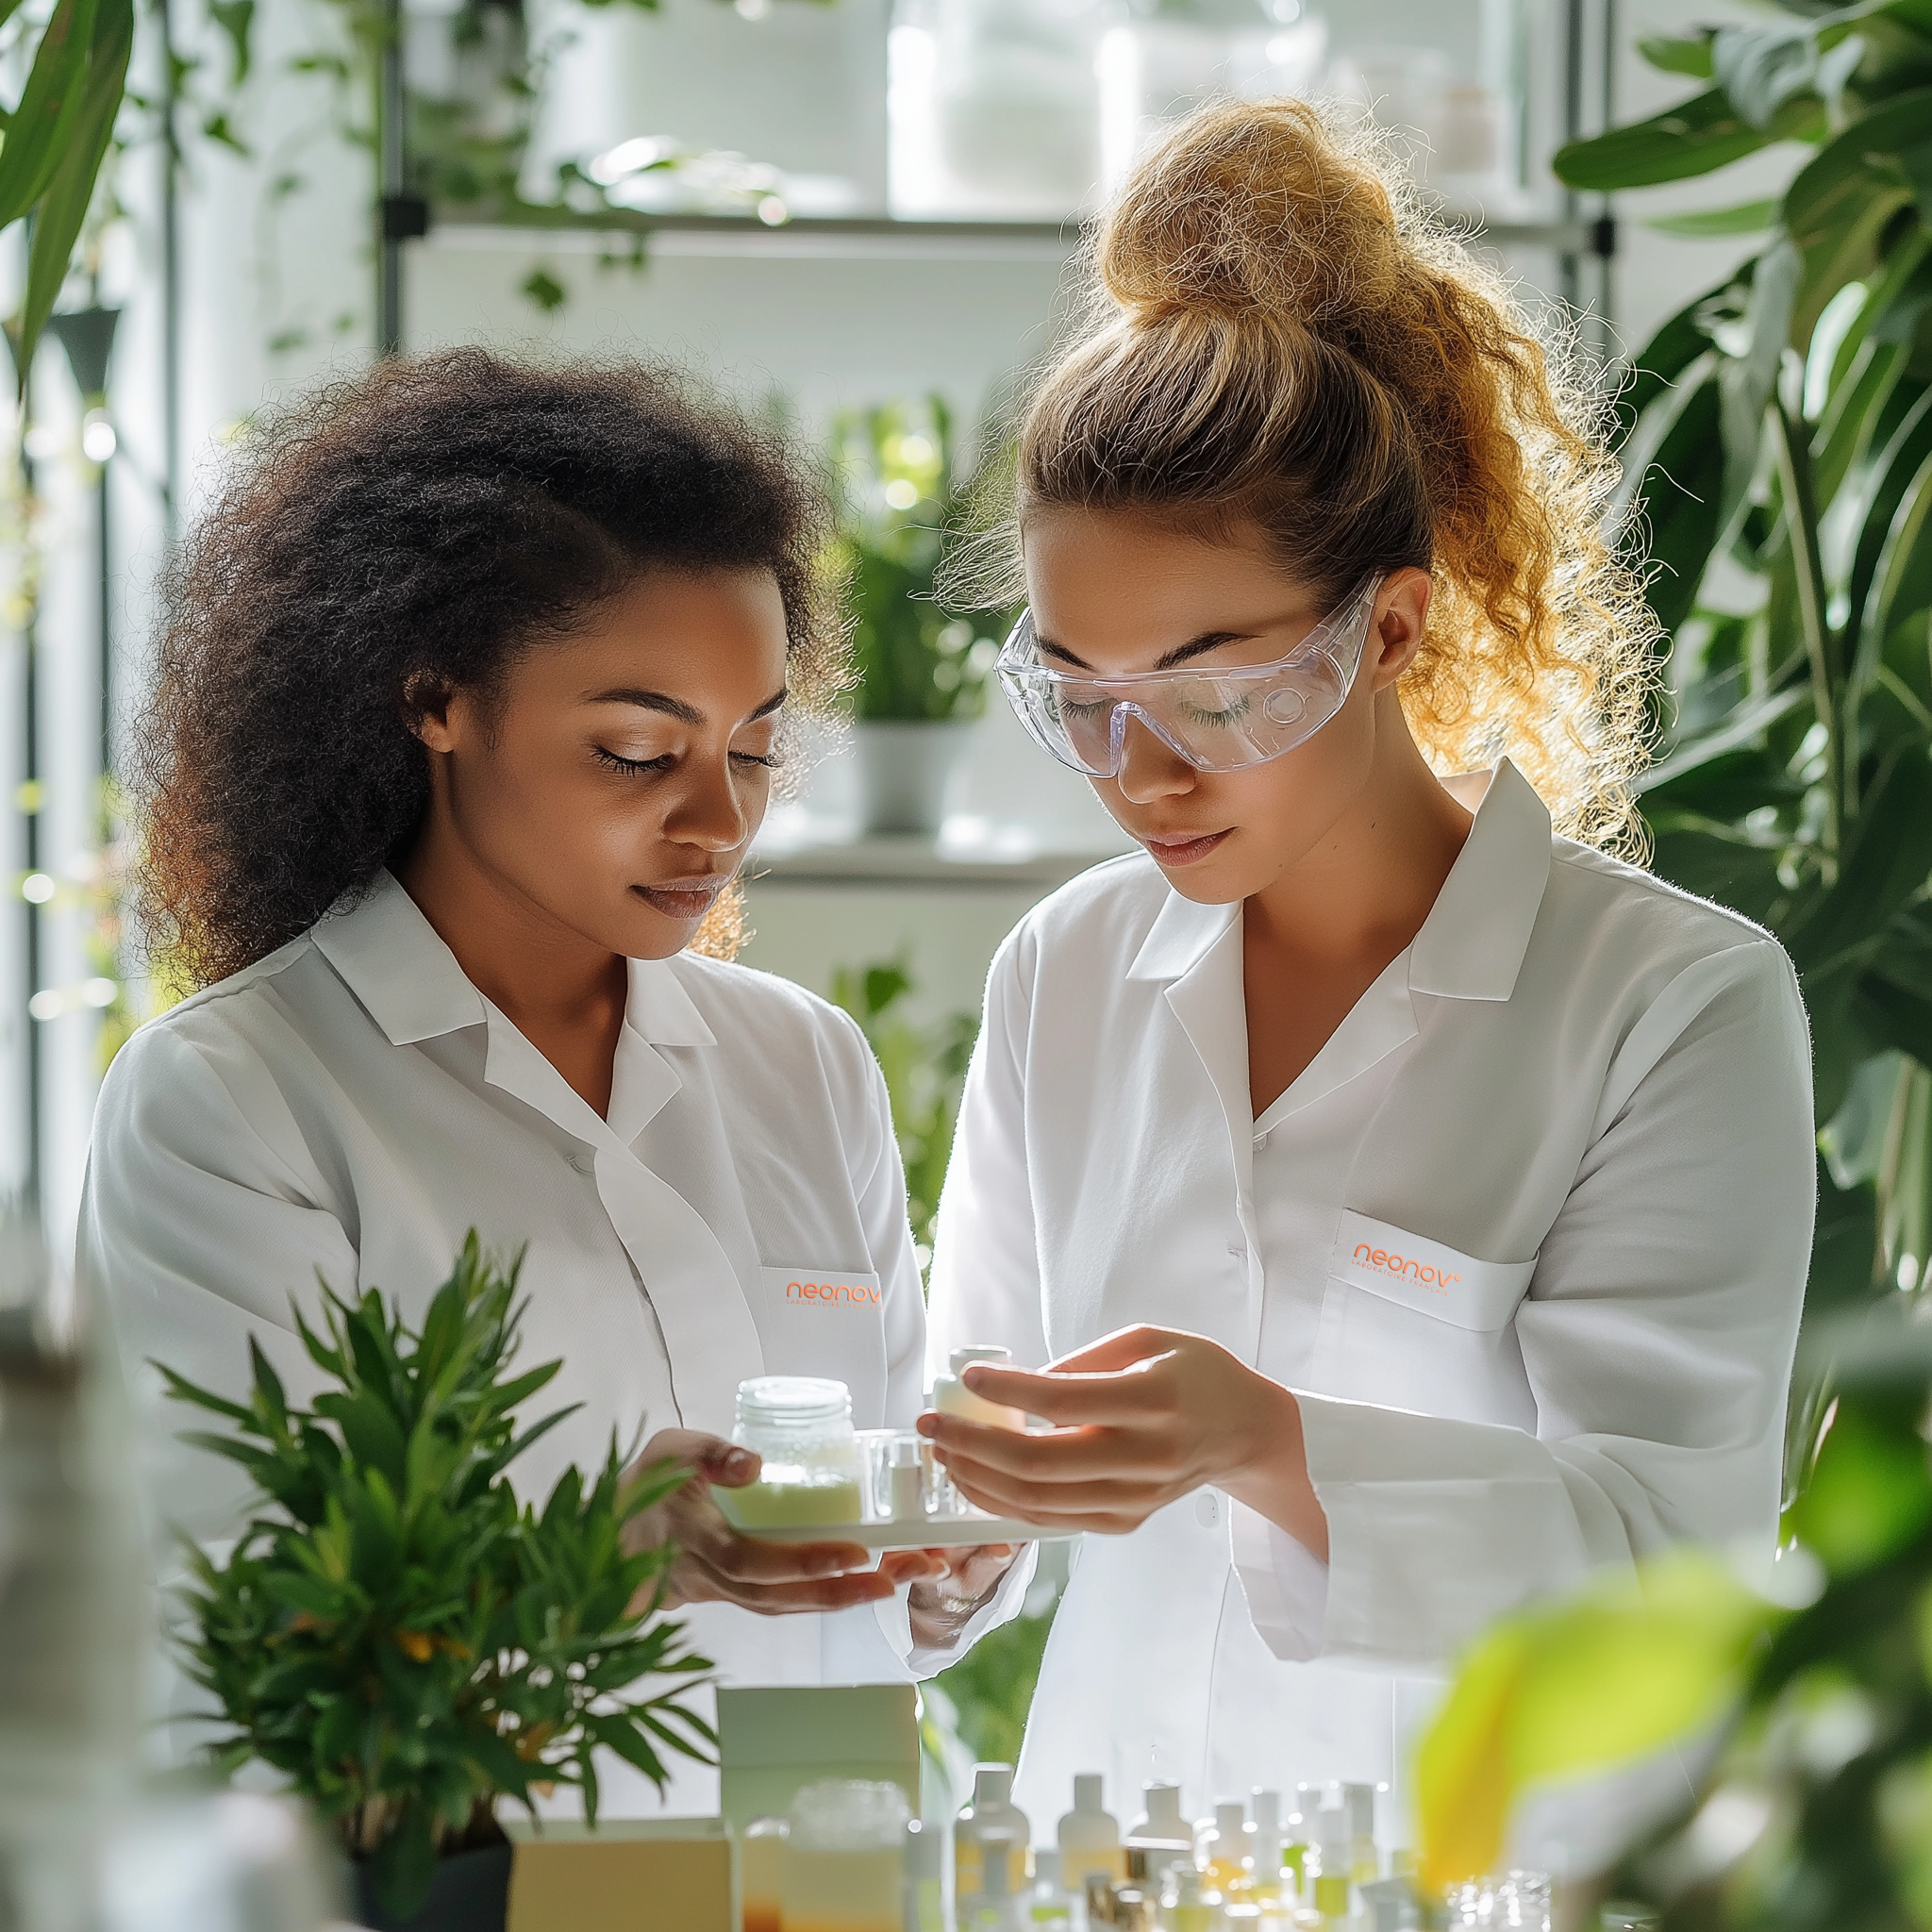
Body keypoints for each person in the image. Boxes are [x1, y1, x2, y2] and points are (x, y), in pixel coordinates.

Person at [919, 101, 1815, 1853]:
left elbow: (1670, 1567)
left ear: (1388, 629)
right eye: (1081, 696)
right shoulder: (1069, 970)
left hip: (1467, 1879)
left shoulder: (1665, 1007)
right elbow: (982, 1449)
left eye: (1211, 690)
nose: (1139, 773)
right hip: (1119, 1874)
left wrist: (1267, 1443)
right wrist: (921, 1544)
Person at [82, 352, 1014, 1814]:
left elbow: (874, 1569)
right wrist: (600, 1556)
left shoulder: (801, 1065)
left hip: (819, 1873)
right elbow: (245, 1645)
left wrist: (952, 1565)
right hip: (488, 1886)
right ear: (438, 700)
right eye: (637, 752)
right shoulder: (239, 1099)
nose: (719, 821)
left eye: (756, 748)